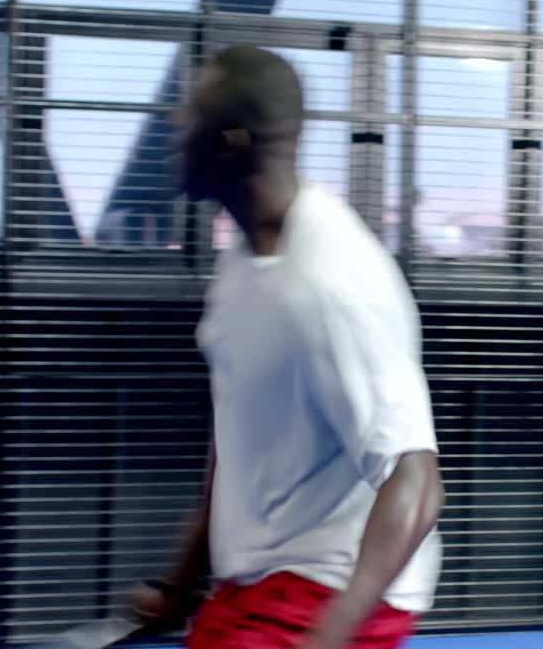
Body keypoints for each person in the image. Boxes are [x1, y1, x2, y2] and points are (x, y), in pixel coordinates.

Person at [132, 45, 445, 649]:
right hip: (255, 581)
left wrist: (332, 635)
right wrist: (180, 583)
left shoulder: (333, 284)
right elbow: (238, 435)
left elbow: (415, 478)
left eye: (188, 111)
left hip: (333, 590)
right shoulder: (246, 263)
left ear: (229, 143)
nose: (171, 123)